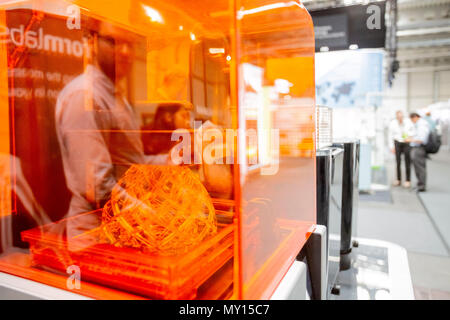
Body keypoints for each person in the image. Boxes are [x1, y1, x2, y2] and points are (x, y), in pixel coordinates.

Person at [55, 20, 168, 237]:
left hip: (121, 225)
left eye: (130, 44)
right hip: (95, 234)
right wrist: (151, 215)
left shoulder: (116, 97)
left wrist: (170, 160)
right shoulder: (85, 97)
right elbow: (98, 189)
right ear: (92, 43)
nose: (124, 52)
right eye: (113, 42)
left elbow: (130, 165)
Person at [388, 110, 414, 188]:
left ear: (403, 116)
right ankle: (398, 180)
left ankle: (407, 180)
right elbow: (390, 135)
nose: (400, 118)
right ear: (396, 117)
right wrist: (391, 147)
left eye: (401, 116)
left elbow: (413, 131)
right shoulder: (393, 123)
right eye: (398, 117)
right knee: (398, 162)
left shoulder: (408, 122)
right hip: (397, 142)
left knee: (407, 162)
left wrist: (409, 136)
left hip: (406, 142)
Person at [406, 112, 430, 192]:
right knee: (417, 167)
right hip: (417, 148)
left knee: (420, 168)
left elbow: (421, 139)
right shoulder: (419, 125)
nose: (412, 121)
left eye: (412, 119)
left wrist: (410, 139)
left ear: (415, 117)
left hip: (419, 148)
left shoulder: (422, 125)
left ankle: (422, 186)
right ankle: (420, 184)